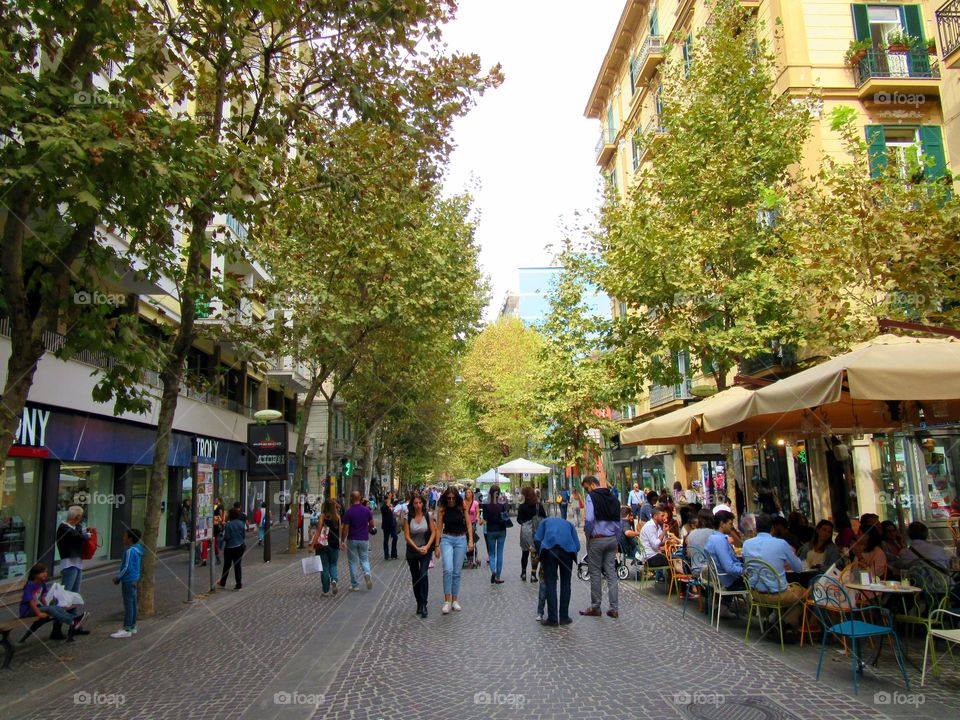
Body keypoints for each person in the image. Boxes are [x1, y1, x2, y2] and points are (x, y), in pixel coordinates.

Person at [741, 513, 804, 631]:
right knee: (805, 593)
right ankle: (785, 622)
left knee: (784, 588)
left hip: (755, 593)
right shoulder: (781, 544)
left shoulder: (746, 544)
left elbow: (746, 565)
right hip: (776, 595)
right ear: (773, 528)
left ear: (756, 528)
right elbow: (798, 568)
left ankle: (773, 619)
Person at [580, 475, 621, 618]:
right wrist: (617, 540)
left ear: (591, 485)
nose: (586, 491)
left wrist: (587, 534)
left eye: (586, 488)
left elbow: (590, 519)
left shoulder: (592, 497)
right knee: (611, 573)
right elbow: (618, 522)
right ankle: (614, 608)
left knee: (595, 573)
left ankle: (596, 607)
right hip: (611, 539)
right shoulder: (613, 498)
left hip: (597, 539)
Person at [20, 563, 86, 642]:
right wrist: (39, 613)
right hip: (27, 611)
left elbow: (43, 597)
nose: (45, 574)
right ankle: (72, 621)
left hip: (37, 608)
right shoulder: (30, 585)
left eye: (46, 572)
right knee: (51, 609)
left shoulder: (42, 583)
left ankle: (74, 619)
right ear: (34, 574)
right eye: (43, 572)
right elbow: (30, 601)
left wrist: (46, 606)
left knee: (56, 607)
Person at [534, 516, 580, 626]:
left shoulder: (545, 522)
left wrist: (541, 552)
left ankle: (553, 619)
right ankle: (564, 617)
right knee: (566, 584)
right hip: (567, 552)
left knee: (550, 583)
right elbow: (577, 546)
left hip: (549, 551)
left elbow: (536, 539)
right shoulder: (569, 525)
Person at [435, 486, 474, 614]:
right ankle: (447, 601)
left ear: (456, 497)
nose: (451, 500)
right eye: (448, 498)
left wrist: (470, 540)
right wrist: (436, 545)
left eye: (453, 498)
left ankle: (455, 600)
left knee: (457, 572)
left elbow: (468, 524)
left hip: (461, 539)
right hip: (447, 539)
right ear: (446, 498)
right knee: (448, 569)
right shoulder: (442, 509)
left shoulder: (462, 506)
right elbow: (439, 527)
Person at [704, 510, 745, 617]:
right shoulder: (719, 541)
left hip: (722, 579)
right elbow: (729, 568)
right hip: (728, 581)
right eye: (730, 524)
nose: (731, 527)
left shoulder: (713, 538)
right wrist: (745, 570)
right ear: (722, 524)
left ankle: (723, 607)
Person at [403, 493, 436, 618]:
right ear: (412, 504)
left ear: (423, 503)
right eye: (415, 503)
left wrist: (427, 547)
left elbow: (433, 532)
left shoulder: (428, 516)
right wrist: (416, 548)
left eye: (420, 503)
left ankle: (424, 604)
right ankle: (418, 602)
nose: (418, 505)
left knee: (423, 575)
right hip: (412, 550)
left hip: (425, 549)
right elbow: (406, 535)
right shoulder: (408, 517)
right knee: (416, 577)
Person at [110, 528, 144, 638]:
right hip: (134, 579)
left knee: (128, 604)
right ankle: (132, 626)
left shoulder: (129, 551)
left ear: (130, 538)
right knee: (133, 603)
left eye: (125, 536)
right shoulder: (138, 550)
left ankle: (127, 628)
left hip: (128, 580)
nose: (123, 538)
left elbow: (126, 567)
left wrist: (118, 577)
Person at [341, 490, 375, 591]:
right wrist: (367, 529)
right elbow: (372, 525)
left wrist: (343, 540)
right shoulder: (366, 510)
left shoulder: (349, 512)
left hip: (352, 539)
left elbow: (345, 528)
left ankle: (355, 585)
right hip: (364, 538)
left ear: (351, 498)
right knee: (364, 559)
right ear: (360, 498)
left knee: (353, 562)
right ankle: (367, 574)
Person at [55, 505, 90, 594]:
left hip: (77, 560)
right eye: (80, 516)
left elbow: (79, 533)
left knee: (75, 591)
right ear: (76, 517)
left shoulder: (76, 527)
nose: (81, 519)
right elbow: (77, 536)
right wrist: (87, 535)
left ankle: (73, 608)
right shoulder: (64, 528)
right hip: (69, 562)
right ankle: (58, 607)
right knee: (67, 589)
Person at [310, 499, 341, 596]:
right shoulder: (338, 518)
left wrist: (312, 545)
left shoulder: (322, 517)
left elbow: (318, 532)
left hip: (322, 545)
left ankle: (326, 590)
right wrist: (341, 543)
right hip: (334, 545)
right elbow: (339, 533)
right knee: (333, 564)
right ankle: (334, 580)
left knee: (324, 567)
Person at [517, 486, 547, 583]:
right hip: (537, 532)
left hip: (525, 532)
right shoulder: (538, 505)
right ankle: (533, 575)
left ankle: (523, 573)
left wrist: (525, 523)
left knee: (524, 553)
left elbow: (518, 519)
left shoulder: (522, 506)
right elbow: (544, 518)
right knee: (534, 553)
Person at [481, 485, 508, 584]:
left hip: (491, 531)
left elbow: (485, 518)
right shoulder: (502, 504)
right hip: (501, 530)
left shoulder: (486, 504)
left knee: (492, 553)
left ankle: (493, 571)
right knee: (500, 553)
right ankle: (498, 576)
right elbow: (506, 515)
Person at [218, 507, 246, 590]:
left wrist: (222, 539)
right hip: (240, 546)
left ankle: (223, 582)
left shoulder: (228, 525)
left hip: (230, 548)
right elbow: (243, 536)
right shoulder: (241, 523)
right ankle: (238, 584)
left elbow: (227, 537)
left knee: (227, 565)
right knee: (237, 565)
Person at [380, 492, 398, 560]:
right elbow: (386, 507)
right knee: (386, 540)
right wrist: (389, 498)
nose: (389, 501)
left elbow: (392, 513)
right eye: (388, 500)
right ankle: (386, 555)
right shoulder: (383, 507)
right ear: (385, 500)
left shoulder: (390, 506)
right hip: (386, 525)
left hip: (392, 525)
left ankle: (394, 554)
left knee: (395, 537)